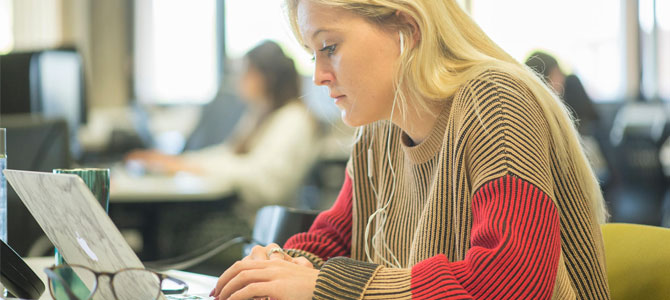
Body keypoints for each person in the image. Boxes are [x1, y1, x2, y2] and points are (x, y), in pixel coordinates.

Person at [211, 1, 610, 299]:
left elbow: (511, 281)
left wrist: (326, 286)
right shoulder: (378, 128)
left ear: (406, 25)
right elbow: (335, 236)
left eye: (329, 46)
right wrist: (279, 266)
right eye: (312, 54)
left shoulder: (495, 102)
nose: (318, 76)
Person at [127, 40, 319, 219]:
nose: (238, 81)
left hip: (256, 227)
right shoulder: (261, 113)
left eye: (245, 73)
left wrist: (192, 167)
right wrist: (179, 162)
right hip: (244, 216)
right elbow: (229, 153)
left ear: (265, 77)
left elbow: (263, 181)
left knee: (175, 225)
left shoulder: (292, 119)